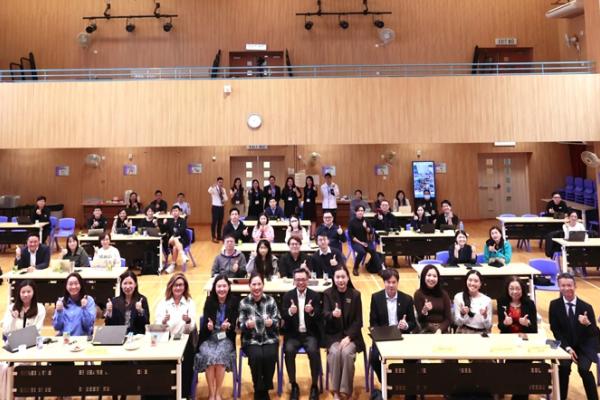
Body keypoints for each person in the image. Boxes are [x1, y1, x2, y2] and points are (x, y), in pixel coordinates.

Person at [549, 272, 599, 400]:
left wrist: (588, 324)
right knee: (564, 368)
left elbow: (594, 333)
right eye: (563, 285)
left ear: (575, 286)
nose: (566, 288)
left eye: (569, 285)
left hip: (584, 346)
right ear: (559, 287)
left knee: (584, 370)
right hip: (565, 345)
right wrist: (568, 348)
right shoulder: (554, 305)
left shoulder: (586, 307)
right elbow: (555, 330)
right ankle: (561, 397)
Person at [369, 269, 417, 400]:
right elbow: (373, 322)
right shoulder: (376, 298)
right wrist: (381, 333)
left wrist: (406, 325)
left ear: (397, 282)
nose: (391, 285)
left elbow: (413, 323)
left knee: (413, 358)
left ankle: (410, 391)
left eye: (393, 282)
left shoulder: (407, 299)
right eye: (388, 282)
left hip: (402, 336)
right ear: (384, 282)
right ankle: (388, 384)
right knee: (374, 358)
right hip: (383, 336)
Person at [323, 265, 365, 399]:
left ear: (348, 278)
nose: (340, 280)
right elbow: (324, 314)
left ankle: (346, 391)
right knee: (335, 353)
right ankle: (336, 391)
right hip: (333, 336)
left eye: (343, 277)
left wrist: (349, 337)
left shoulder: (355, 295)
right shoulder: (327, 294)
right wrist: (332, 314)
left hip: (351, 337)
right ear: (333, 279)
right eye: (337, 277)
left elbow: (358, 321)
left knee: (346, 353)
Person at [195, 275, 239, 400]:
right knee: (209, 357)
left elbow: (235, 323)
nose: (222, 289)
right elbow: (205, 323)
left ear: (228, 287)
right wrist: (208, 326)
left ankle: (218, 393)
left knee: (219, 359)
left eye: (224, 286)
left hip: (226, 338)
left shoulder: (234, 301)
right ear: (214, 288)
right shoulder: (209, 300)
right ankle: (211, 393)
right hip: (209, 337)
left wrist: (229, 326)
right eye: (219, 286)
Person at [238, 273, 280, 400]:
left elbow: (279, 321)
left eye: (259, 284)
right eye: (254, 284)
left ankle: (263, 389)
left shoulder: (271, 300)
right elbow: (240, 325)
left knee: (270, 356)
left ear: (263, 285)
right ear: (249, 286)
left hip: (269, 338)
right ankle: (259, 388)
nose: (256, 287)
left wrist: (272, 322)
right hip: (251, 339)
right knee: (256, 357)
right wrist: (246, 324)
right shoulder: (244, 303)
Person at [155, 272, 197, 400]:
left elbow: (191, 328)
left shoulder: (190, 303)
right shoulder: (163, 303)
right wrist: (163, 322)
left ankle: (183, 394)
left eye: (181, 285)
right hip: (167, 340)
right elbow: (158, 329)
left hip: (184, 340)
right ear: (171, 286)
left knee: (186, 363)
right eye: (175, 285)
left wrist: (188, 321)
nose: (178, 288)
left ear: (185, 287)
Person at [282, 268, 322, 400]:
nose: (300, 282)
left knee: (314, 352)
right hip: (293, 335)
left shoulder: (315, 296)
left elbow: (320, 316)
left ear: (308, 280)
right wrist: (290, 312)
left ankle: (314, 385)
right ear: (294, 281)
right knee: (288, 351)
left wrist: (312, 312)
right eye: (298, 280)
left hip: (310, 334)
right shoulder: (287, 296)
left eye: (303, 279)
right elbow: (283, 315)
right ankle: (293, 384)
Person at [497, 276, 538, 400]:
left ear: (522, 289)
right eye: (511, 288)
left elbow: (534, 330)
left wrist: (528, 324)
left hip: (525, 342)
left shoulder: (529, 304)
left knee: (523, 364)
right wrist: (505, 324)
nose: (515, 291)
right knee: (512, 365)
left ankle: (520, 395)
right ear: (507, 289)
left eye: (517, 289)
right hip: (508, 341)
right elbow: (500, 326)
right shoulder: (502, 302)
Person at [413, 264, 452, 333]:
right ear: (423, 277)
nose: (431, 278)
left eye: (434, 276)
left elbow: (448, 319)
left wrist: (439, 330)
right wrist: (424, 311)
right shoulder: (418, 294)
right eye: (429, 275)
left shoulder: (444, 294)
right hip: (426, 330)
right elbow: (420, 320)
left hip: (442, 330)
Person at [348, 205, 383, 276]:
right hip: (356, 242)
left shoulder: (366, 220)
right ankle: (355, 268)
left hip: (366, 241)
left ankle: (380, 269)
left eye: (362, 211)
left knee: (373, 251)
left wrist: (366, 227)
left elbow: (370, 232)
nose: (360, 212)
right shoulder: (352, 222)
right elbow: (351, 236)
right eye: (359, 211)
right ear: (356, 212)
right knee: (362, 252)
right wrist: (361, 243)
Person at [161, 205, 189, 274]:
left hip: (182, 240)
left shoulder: (183, 221)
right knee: (174, 240)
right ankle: (183, 255)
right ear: (171, 213)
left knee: (175, 247)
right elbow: (163, 230)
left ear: (179, 212)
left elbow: (182, 231)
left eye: (176, 211)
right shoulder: (169, 221)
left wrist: (174, 236)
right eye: (173, 211)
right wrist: (163, 224)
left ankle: (172, 265)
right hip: (171, 241)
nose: (175, 212)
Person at [374, 199, 400, 267]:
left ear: (388, 207)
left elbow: (397, 227)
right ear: (380, 206)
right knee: (384, 243)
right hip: (380, 237)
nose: (384, 207)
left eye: (386, 205)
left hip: (391, 236)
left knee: (395, 242)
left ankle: (395, 261)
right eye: (383, 205)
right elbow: (374, 227)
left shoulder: (392, 216)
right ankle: (383, 262)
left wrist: (395, 230)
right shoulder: (377, 216)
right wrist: (379, 220)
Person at [209, 177, 228, 243]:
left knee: (220, 222)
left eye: (222, 182)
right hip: (215, 207)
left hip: (221, 207)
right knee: (214, 222)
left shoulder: (223, 189)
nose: (221, 183)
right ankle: (213, 237)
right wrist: (212, 186)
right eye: (219, 182)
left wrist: (223, 193)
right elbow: (209, 191)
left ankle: (219, 236)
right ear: (217, 182)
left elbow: (226, 199)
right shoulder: (214, 189)